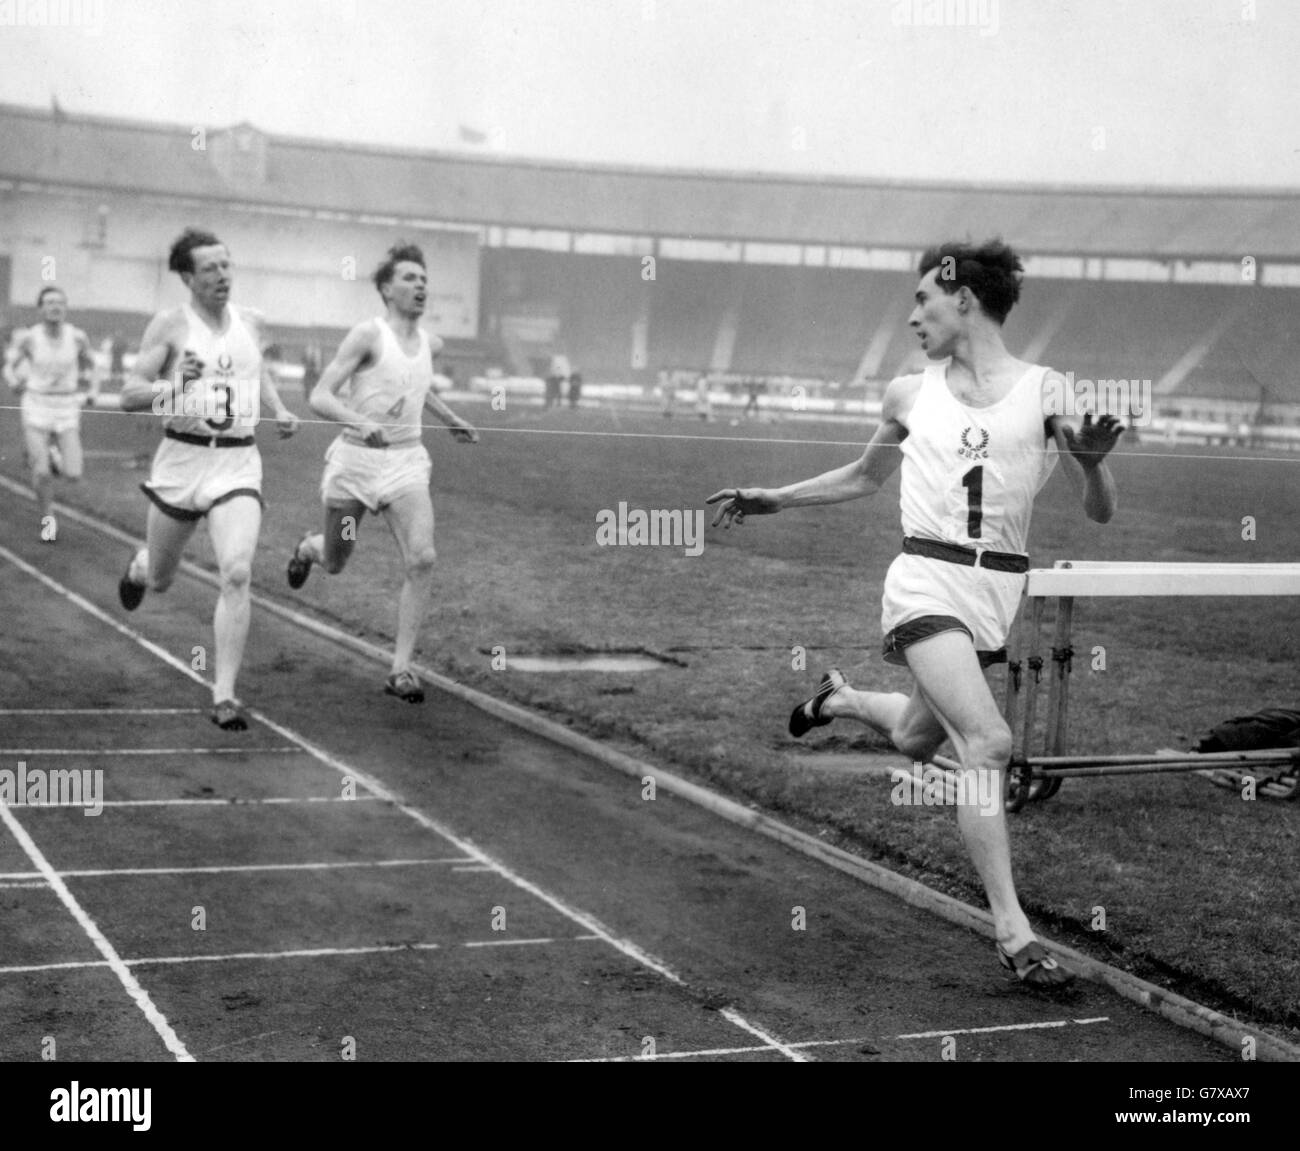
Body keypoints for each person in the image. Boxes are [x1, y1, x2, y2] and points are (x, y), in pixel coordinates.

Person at [708, 239, 1123, 989]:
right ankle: (1013, 932)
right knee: (987, 742)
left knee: (913, 735)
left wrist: (1091, 461)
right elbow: (866, 475)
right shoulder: (908, 392)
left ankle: (839, 698)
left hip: (996, 594)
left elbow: (1100, 513)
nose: (911, 316)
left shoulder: (1046, 389)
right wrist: (777, 496)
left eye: (924, 299)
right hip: (923, 582)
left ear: (964, 298)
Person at [116, 227, 300, 731]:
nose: (223, 276)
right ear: (187, 277)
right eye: (210, 269)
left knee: (237, 572)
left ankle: (224, 695)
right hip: (181, 461)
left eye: (227, 265)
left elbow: (252, 368)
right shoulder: (170, 327)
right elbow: (130, 395)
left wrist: (278, 407)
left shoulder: (255, 323)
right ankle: (139, 567)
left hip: (237, 462)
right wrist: (176, 384)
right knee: (161, 579)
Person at [285, 242, 479, 703]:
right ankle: (307, 549)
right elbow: (320, 395)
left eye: (424, 280)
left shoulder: (428, 343)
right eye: (410, 279)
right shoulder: (367, 337)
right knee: (335, 561)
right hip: (355, 465)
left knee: (423, 558)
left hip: (405, 465)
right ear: (387, 289)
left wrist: (451, 420)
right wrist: (360, 422)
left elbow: (416, 387)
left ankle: (401, 669)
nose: (420, 287)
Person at [5, 287, 97, 540]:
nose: (54, 307)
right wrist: (13, 381)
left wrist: (93, 390)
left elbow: (92, 363)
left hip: (66, 406)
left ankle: (54, 455)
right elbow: (9, 366)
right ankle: (48, 518)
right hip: (36, 404)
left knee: (74, 473)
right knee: (42, 472)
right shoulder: (29, 338)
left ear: (65, 308)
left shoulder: (77, 337)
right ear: (40, 308)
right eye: (49, 302)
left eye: (59, 302)